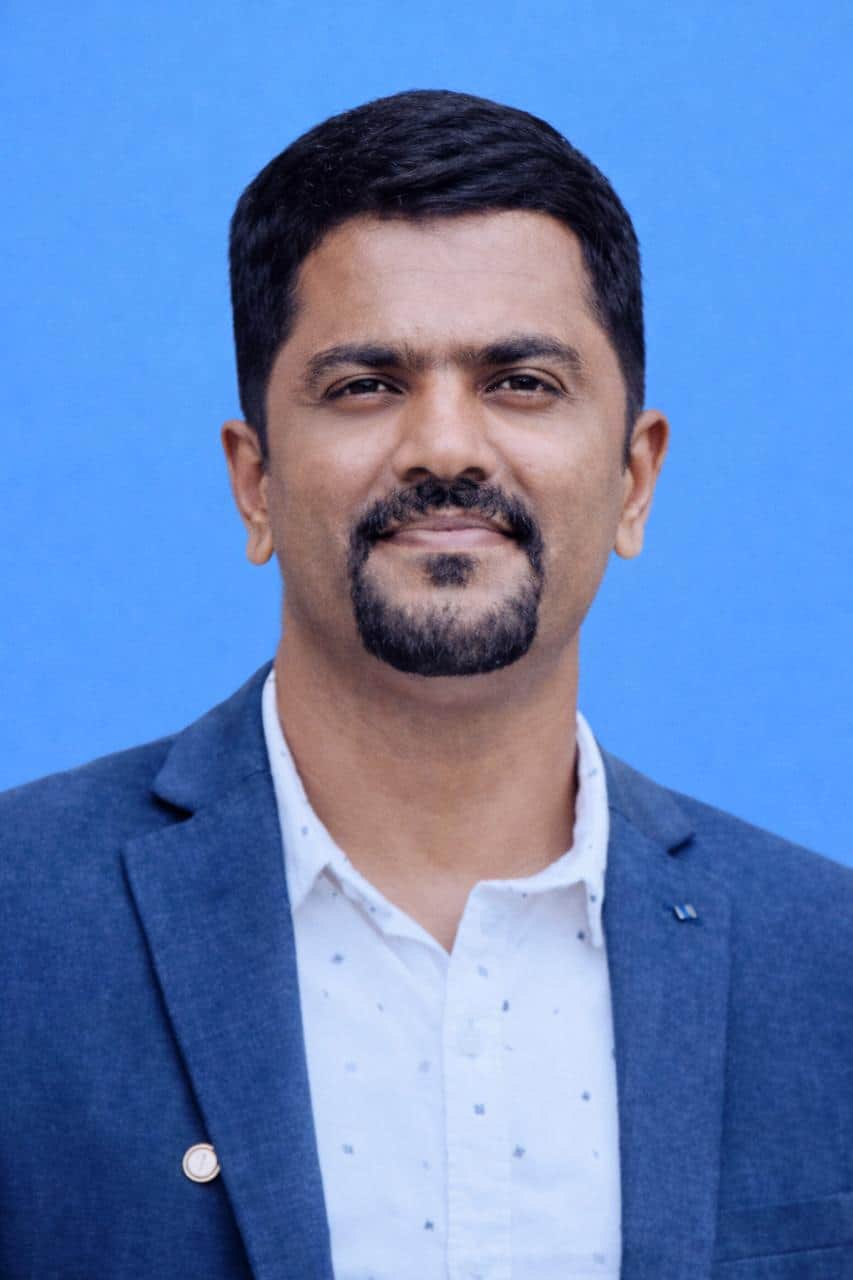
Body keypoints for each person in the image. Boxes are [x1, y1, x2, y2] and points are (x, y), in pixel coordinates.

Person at [1, 89, 850, 1280]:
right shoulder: (22, 924)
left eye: (521, 381)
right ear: (253, 481)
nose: (445, 446)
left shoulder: (827, 966)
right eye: (366, 384)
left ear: (634, 478)